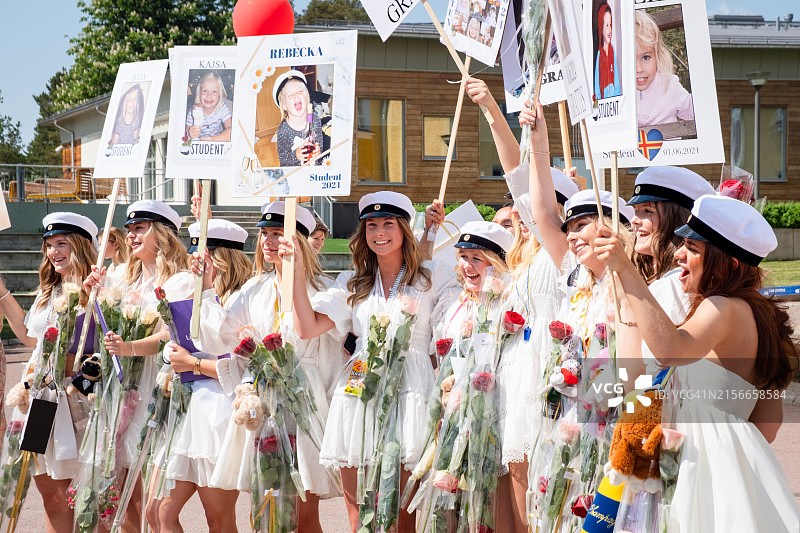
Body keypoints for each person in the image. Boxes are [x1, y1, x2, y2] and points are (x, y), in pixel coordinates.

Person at [594, 194, 800, 532]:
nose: (678, 254)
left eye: (692, 248)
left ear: (729, 263)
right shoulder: (765, 319)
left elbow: (670, 350)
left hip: (698, 466)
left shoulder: (722, 306)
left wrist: (626, 269)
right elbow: (769, 425)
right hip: (728, 468)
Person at [282, 191, 456, 533]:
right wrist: (298, 270)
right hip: (357, 400)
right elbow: (306, 328)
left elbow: (450, 331)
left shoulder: (431, 276)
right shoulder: (353, 282)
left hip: (411, 398)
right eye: (371, 225)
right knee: (359, 519)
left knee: (401, 520)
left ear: (404, 228)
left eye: (388, 223)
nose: (379, 232)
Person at [195, 202, 339, 533]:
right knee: (265, 503)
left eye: (278, 233)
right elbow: (217, 341)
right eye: (264, 234)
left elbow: (325, 353)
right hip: (263, 404)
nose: (268, 241)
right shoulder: (253, 289)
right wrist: (204, 286)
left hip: (306, 404)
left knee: (304, 514)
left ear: (300, 242)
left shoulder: (326, 289)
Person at [87, 200, 193, 531]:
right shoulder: (120, 277)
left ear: (163, 234)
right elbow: (104, 326)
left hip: (157, 390)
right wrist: (92, 297)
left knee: (155, 505)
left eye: (140, 228)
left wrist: (129, 347)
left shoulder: (182, 281)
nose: (132, 235)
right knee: (123, 494)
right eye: (130, 229)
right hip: (121, 391)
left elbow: (169, 335)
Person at [0, 212, 98, 532]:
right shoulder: (49, 290)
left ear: (82, 246)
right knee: (51, 496)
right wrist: (2, 293)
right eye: (49, 245)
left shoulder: (95, 290)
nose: (53, 252)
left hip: (76, 401)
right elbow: (31, 337)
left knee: (85, 497)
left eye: (61, 244)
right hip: (40, 400)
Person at [152, 219, 252, 532]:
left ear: (224, 259)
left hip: (220, 414)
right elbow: (187, 343)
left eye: (203, 256)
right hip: (192, 412)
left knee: (218, 519)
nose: (196, 261)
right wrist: (172, 352)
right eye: (194, 253)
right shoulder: (202, 296)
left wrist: (191, 363)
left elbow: (242, 366)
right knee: (160, 514)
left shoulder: (242, 299)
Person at [617, 166, 715, 386]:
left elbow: (634, 381)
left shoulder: (673, 285)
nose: (634, 220)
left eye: (647, 211)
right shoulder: (673, 280)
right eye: (635, 211)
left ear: (677, 220)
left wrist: (626, 299)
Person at [635, 10, 694, 129]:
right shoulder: (618, 91)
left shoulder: (669, 85)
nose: (638, 69)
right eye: (630, 60)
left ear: (657, 56)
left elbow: (692, 112)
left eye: (645, 58)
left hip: (668, 146)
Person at [274, 70, 324, 167]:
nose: (296, 95)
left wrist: (318, 151)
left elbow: (320, 146)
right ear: (284, 105)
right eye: (290, 95)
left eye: (300, 91)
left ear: (307, 97)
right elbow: (283, 158)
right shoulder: (283, 129)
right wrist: (295, 155)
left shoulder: (315, 119)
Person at [186, 71, 232, 142]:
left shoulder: (222, 107)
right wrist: (189, 134)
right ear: (199, 92)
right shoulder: (193, 111)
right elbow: (184, 138)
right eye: (205, 91)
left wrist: (213, 139)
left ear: (220, 94)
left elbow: (232, 130)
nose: (208, 96)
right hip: (198, 148)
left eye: (214, 92)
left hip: (217, 144)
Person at [594, 3, 621, 100]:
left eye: (610, 25)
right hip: (601, 104)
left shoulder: (611, 49)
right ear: (601, 27)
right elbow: (596, 80)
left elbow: (616, 79)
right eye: (606, 25)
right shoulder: (598, 53)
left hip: (613, 104)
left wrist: (618, 97)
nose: (609, 30)